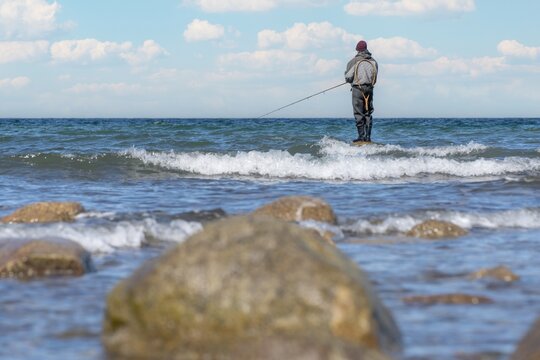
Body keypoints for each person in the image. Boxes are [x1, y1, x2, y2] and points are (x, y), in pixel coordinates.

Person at [345, 40, 378, 143]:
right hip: (369, 89)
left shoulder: (353, 61)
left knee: (359, 113)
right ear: (366, 49)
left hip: (357, 90)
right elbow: (375, 77)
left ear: (357, 50)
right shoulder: (374, 61)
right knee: (368, 113)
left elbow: (348, 77)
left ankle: (361, 137)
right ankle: (368, 137)